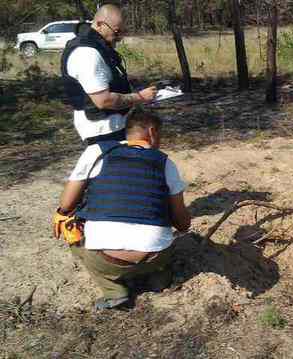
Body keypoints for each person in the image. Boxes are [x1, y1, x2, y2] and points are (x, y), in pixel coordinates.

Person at [52, 108, 191, 310]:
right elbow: (183, 224)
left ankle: (113, 291)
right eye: (160, 135)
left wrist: (63, 214)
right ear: (152, 132)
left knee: (71, 228)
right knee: (163, 248)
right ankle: (158, 277)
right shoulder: (165, 163)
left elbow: (66, 204)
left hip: (107, 261)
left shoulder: (97, 152)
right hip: (154, 256)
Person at [61, 4, 158, 145]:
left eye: (122, 32)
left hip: (114, 127)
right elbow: (103, 100)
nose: (119, 38)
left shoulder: (101, 47)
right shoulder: (87, 53)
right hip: (101, 131)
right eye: (116, 32)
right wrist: (140, 97)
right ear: (100, 24)